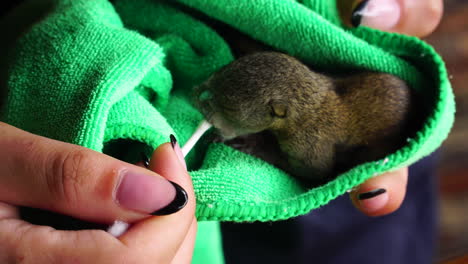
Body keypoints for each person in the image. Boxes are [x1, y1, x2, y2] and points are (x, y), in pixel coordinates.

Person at [0, 0, 443, 262]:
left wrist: (253, 145)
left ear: (278, 112)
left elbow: (310, 167)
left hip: (358, 220)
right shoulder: (298, 87)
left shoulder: (309, 139)